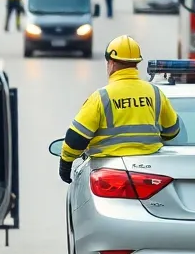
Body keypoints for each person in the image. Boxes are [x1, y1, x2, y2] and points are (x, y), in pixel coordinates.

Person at [58, 35, 180, 182]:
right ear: (136, 64)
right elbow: (172, 131)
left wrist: (65, 163)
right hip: (151, 173)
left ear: (111, 63)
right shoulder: (155, 93)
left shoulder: (101, 97)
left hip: (110, 174)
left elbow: (76, 138)